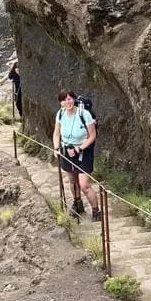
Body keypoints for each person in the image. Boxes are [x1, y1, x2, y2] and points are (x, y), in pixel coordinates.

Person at [55, 89, 97, 218]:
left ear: (74, 99)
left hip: (84, 151)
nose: (67, 102)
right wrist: (56, 148)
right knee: (72, 180)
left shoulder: (84, 114)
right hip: (66, 150)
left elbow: (92, 135)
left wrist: (80, 149)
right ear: (60, 103)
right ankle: (77, 204)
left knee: (84, 185)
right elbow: (56, 133)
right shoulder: (60, 114)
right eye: (64, 100)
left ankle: (96, 211)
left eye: (69, 98)